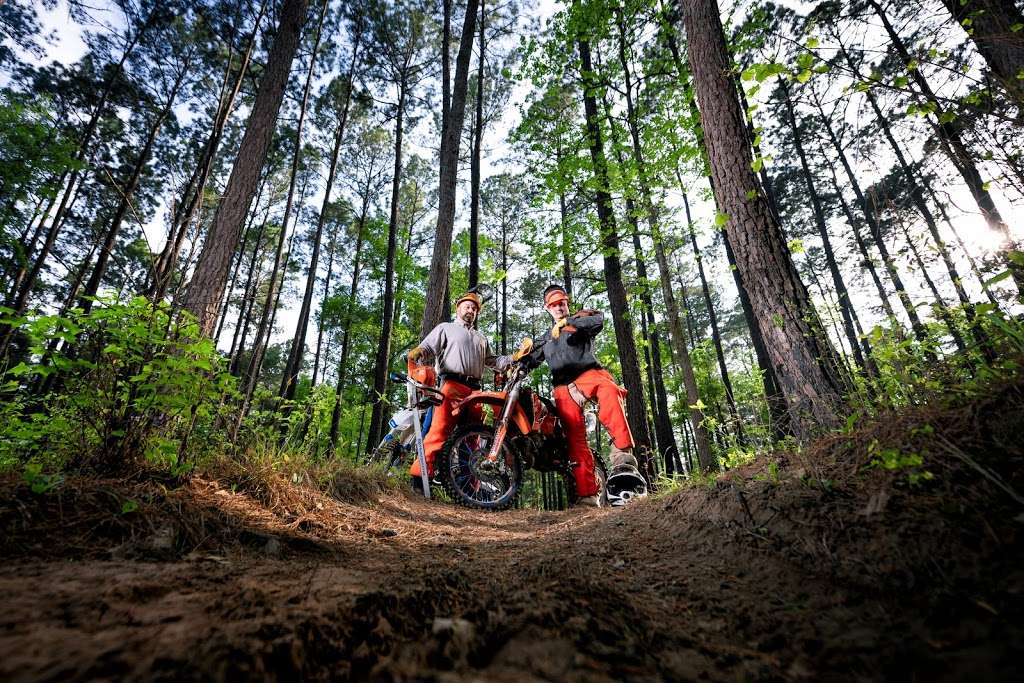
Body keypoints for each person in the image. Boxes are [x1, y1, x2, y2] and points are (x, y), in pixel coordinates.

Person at [522, 284, 643, 507]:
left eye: (561, 303)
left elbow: (598, 320)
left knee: (610, 391)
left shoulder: (580, 318)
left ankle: (623, 462)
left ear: (567, 303)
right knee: (574, 438)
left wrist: (569, 323)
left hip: (589, 374)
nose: (558, 307)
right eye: (553, 305)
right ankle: (587, 493)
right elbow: (529, 361)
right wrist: (516, 361)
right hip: (563, 388)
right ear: (546, 308)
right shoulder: (546, 338)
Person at [408, 290, 509, 486]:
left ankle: (469, 486)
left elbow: (493, 360)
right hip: (451, 385)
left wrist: (512, 359)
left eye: (474, 308)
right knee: (438, 432)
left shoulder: (481, 338)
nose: (471, 310)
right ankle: (420, 477)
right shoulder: (446, 328)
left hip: (475, 391)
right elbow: (428, 348)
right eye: (467, 306)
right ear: (458, 308)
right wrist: (418, 352)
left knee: (472, 439)